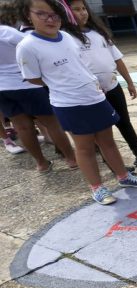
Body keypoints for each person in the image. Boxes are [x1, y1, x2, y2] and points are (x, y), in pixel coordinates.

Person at [16, 0, 137, 204]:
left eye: (55, 14)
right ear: (28, 14)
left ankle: (123, 176)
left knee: (108, 142)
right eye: (42, 14)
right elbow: (33, 77)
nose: (50, 19)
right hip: (69, 104)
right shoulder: (27, 46)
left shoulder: (67, 37)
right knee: (84, 147)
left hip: (95, 96)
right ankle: (97, 188)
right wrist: (62, 84)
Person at [69, 0, 137, 170]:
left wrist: (129, 82)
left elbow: (117, 59)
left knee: (124, 122)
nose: (82, 13)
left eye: (84, 8)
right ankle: (113, 164)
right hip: (91, 93)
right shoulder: (67, 39)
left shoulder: (99, 33)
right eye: (76, 10)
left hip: (113, 86)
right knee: (101, 130)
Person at [0, 5, 77, 171]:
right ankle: (71, 158)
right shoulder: (6, 31)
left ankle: (41, 163)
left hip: (2, 89)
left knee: (21, 127)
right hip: (25, 83)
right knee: (52, 123)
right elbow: (32, 44)